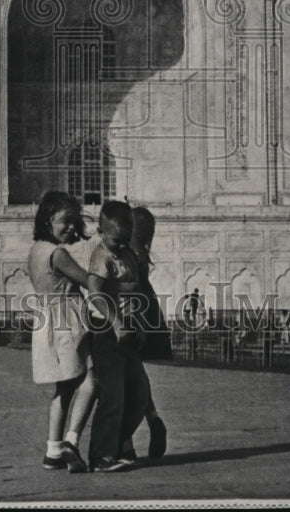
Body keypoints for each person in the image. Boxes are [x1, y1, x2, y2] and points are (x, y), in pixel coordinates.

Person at [27, 190, 95, 473]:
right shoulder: (57, 254)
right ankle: (71, 440)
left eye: (74, 222)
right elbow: (88, 281)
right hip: (67, 320)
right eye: (65, 221)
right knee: (93, 379)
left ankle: (52, 450)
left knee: (64, 388)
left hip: (46, 322)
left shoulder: (36, 251)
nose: (71, 227)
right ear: (48, 220)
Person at [86, 200, 151, 472]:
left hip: (127, 331)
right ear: (101, 231)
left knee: (139, 393)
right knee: (113, 392)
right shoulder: (101, 256)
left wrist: (140, 324)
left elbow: (137, 293)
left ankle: (119, 443)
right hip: (105, 331)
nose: (121, 244)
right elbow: (96, 294)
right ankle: (100, 456)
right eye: (116, 239)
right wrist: (115, 322)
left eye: (126, 239)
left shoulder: (127, 255)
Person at [119, 206, 169, 463]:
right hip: (148, 312)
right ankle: (153, 418)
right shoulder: (142, 252)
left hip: (132, 314)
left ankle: (125, 443)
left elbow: (128, 287)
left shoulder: (126, 253)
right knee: (135, 373)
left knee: (126, 379)